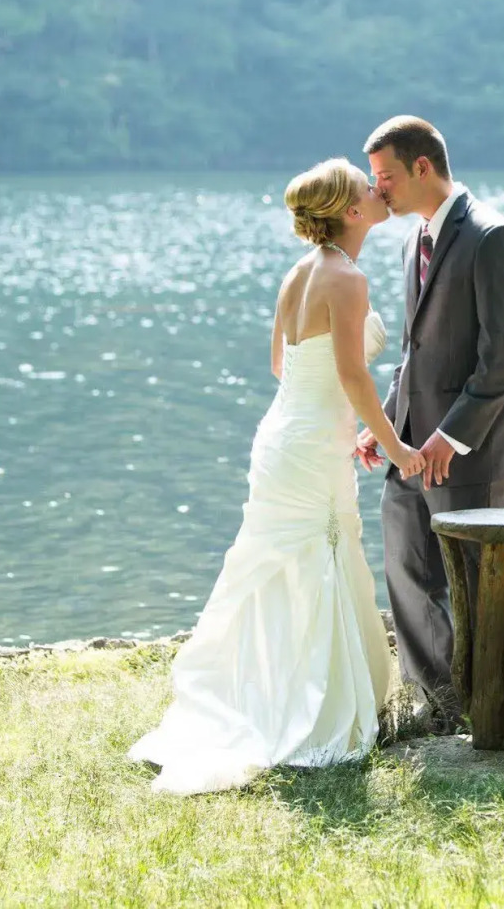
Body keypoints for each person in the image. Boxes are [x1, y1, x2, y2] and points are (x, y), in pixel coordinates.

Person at [129, 158, 424, 795]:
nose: (379, 192)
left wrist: (338, 427)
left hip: (285, 437)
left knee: (279, 567)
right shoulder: (346, 279)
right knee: (313, 562)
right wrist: (397, 447)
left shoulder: (299, 274)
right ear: (351, 212)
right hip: (311, 447)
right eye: (368, 188)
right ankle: (310, 711)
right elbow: (351, 376)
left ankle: (266, 693)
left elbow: (279, 364)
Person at [357, 116, 504, 732]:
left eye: (385, 176)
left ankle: (492, 706)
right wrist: (385, 423)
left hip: (474, 448)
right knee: (408, 570)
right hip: (410, 443)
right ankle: (439, 703)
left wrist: (451, 435)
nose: (376, 188)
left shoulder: (493, 236)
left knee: (475, 587)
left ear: (422, 167)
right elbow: (416, 351)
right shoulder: (416, 238)